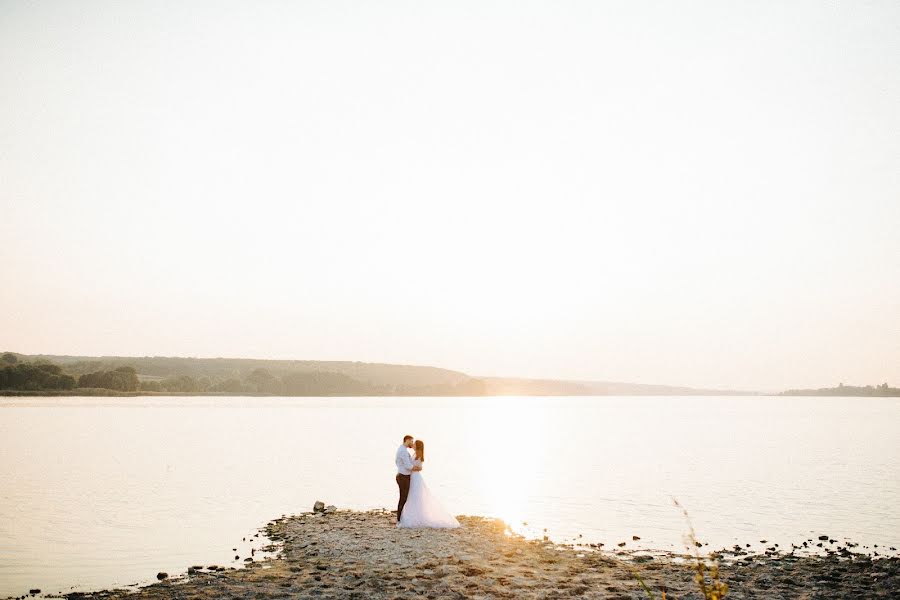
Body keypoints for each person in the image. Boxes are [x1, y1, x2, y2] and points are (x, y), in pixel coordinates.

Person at [397, 439, 460, 529]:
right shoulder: (416, 454)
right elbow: (417, 467)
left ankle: (415, 516)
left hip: (415, 477)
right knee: (413, 496)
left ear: (417, 446)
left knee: (414, 496)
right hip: (413, 476)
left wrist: (411, 468)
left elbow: (418, 467)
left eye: (414, 444)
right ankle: (412, 514)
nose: (413, 445)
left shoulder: (418, 455)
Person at [395, 435, 420, 522]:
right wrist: (418, 468)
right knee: (403, 498)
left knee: (404, 498)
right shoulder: (403, 451)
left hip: (403, 475)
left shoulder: (403, 449)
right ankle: (399, 519)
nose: (412, 443)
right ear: (407, 440)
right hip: (403, 476)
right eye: (411, 441)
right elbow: (408, 466)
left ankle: (401, 517)